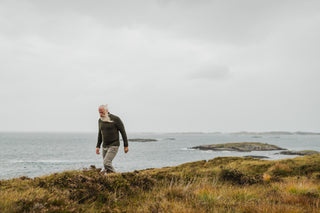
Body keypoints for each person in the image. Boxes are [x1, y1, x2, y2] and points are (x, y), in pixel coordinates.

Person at [96, 104, 129, 174]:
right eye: (99, 112)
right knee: (106, 167)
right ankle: (111, 179)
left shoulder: (115, 119)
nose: (100, 114)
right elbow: (100, 134)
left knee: (106, 163)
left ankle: (117, 177)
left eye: (102, 112)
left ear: (106, 111)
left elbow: (123, 132)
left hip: (114, 144)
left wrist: (126, 145)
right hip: (105, 146)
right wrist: (98, 146)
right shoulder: (100, 120)